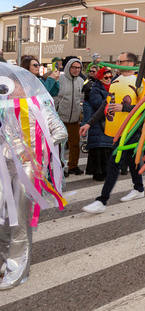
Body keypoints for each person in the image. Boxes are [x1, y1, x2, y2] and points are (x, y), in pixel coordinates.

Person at [0, 62, 67, 289]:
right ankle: (3, 261)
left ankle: (17, 268)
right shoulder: (3, 108)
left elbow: (60, 132)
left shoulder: (38, 106)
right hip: (3, 166)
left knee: (19, 218)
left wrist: (35, 150)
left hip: (28, 167)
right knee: (1, 216)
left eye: (15, 86)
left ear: (25, 86)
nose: (11, 91)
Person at [80, 52, 145, 214]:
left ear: (130, 64)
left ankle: (102, 201)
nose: (116, 63)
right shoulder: (115, 81)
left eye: (120, 61)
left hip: (132, 129)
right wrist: (89, 123)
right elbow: (106, 106)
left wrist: (124, 107)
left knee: (114, 162)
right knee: (132, 160)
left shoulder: (140, 82)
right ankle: (139, 188)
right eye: (117, 61)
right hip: (116, 130)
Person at [54, 57, 84, 176]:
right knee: (59, 145)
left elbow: (81, 97)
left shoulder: (80, 81)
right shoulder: (60, 79)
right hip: (60, 117)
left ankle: (73, 166)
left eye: (79, 68)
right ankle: (60, 167)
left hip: (74, 118)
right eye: (74, 67)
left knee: (75, 143)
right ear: (68, 67)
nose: (77, 70)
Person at [82, 67, 113, 182]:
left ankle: (106, 171)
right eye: (106, 77)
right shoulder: (95, 89)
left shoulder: (112, 87)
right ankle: (98, 172)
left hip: (108, 121)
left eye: (110, 77)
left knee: (107, 148)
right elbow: (98, 104)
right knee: (99, 148)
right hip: (98, 122)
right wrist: (110, 101)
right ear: (100, 78)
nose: (108, 79)